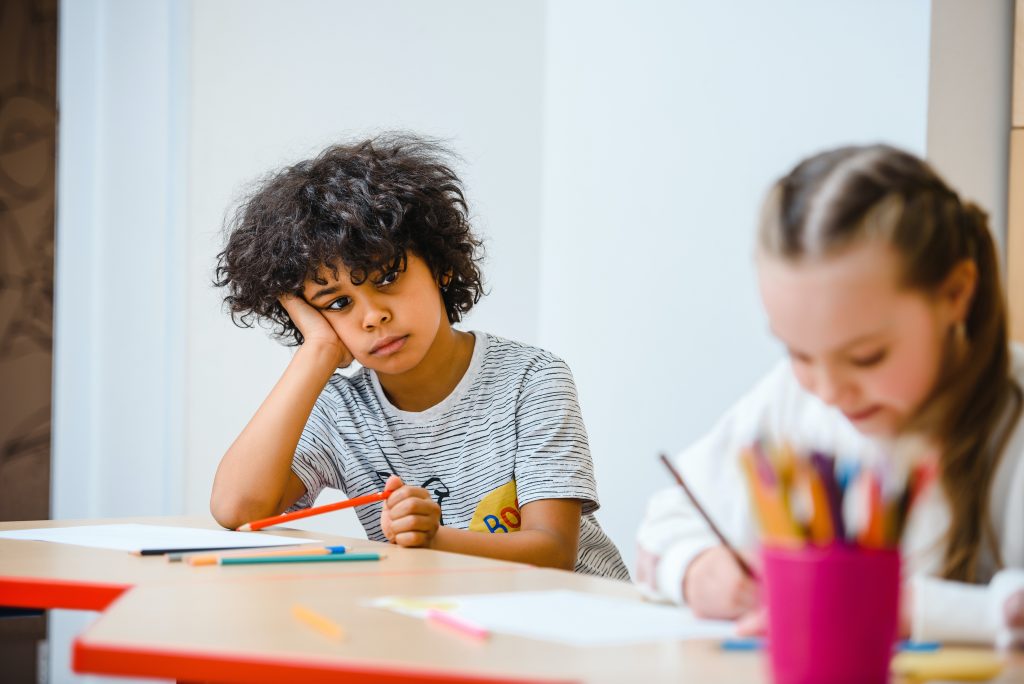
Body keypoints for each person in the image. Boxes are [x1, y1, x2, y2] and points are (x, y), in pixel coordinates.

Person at [637, 144, 1024, 644]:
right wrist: (697, 569)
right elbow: (665, 525)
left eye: (866, 357)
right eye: (798, 353)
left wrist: (907, 609)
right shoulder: (792, 401)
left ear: (955, 294)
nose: (828, 390)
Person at [210, 134, 628, 580]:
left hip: (577, 618)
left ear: (440, 264)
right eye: (337, 304)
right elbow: (236, 509)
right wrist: (316, 352)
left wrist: (436, 540)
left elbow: (554, 553)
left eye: (387, 277)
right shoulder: (341, 410)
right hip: (449, 624)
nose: (373, 316)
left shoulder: (532, 379)